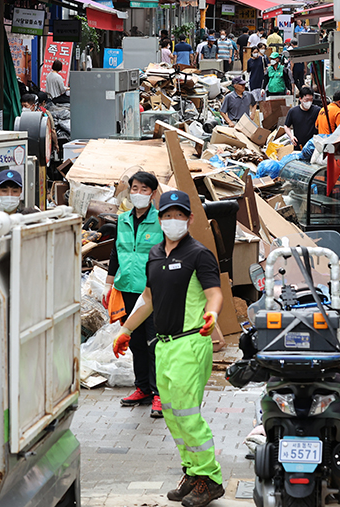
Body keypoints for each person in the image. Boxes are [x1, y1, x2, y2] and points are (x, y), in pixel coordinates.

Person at [114, 190, 224, 507]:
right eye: (168, 215)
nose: (173, 220)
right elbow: (148, 299)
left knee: (189, 416)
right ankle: (193, 471)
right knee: (174, 417)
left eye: (179, 215)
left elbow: (214, 293)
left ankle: (211, 479)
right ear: (159, 218)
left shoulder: (199, 254)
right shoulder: (155, 254)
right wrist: (126, 329)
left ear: (189, 219)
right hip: (163, 347)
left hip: (190, 342)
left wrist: (212, 313)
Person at [104, 171, 164, 417]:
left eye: (144, 189)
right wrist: (109, 285)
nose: (138, 193)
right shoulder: (123, 220)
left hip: (152, 292)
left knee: (154, 343)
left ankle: (160, 393)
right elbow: (115, 254)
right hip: (127, 288)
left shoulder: (161, 221)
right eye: (135, 188)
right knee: (135, 342)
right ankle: (142, 388)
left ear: (152, 193)